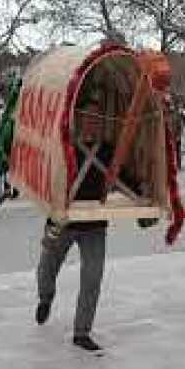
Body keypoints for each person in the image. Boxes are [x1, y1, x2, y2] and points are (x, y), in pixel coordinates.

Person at [35, 98, 152, 351]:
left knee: (92, 277)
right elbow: (43, 177)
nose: (93, 123)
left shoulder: (109, 151)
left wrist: (141, 191)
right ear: (78, 119)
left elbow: (125, 179)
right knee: (46, 269)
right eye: (88, 117)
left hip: (94, 225)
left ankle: (81, 331)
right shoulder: (63, 147)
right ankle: (45, 298)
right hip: (61, 221)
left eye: (98, 119)